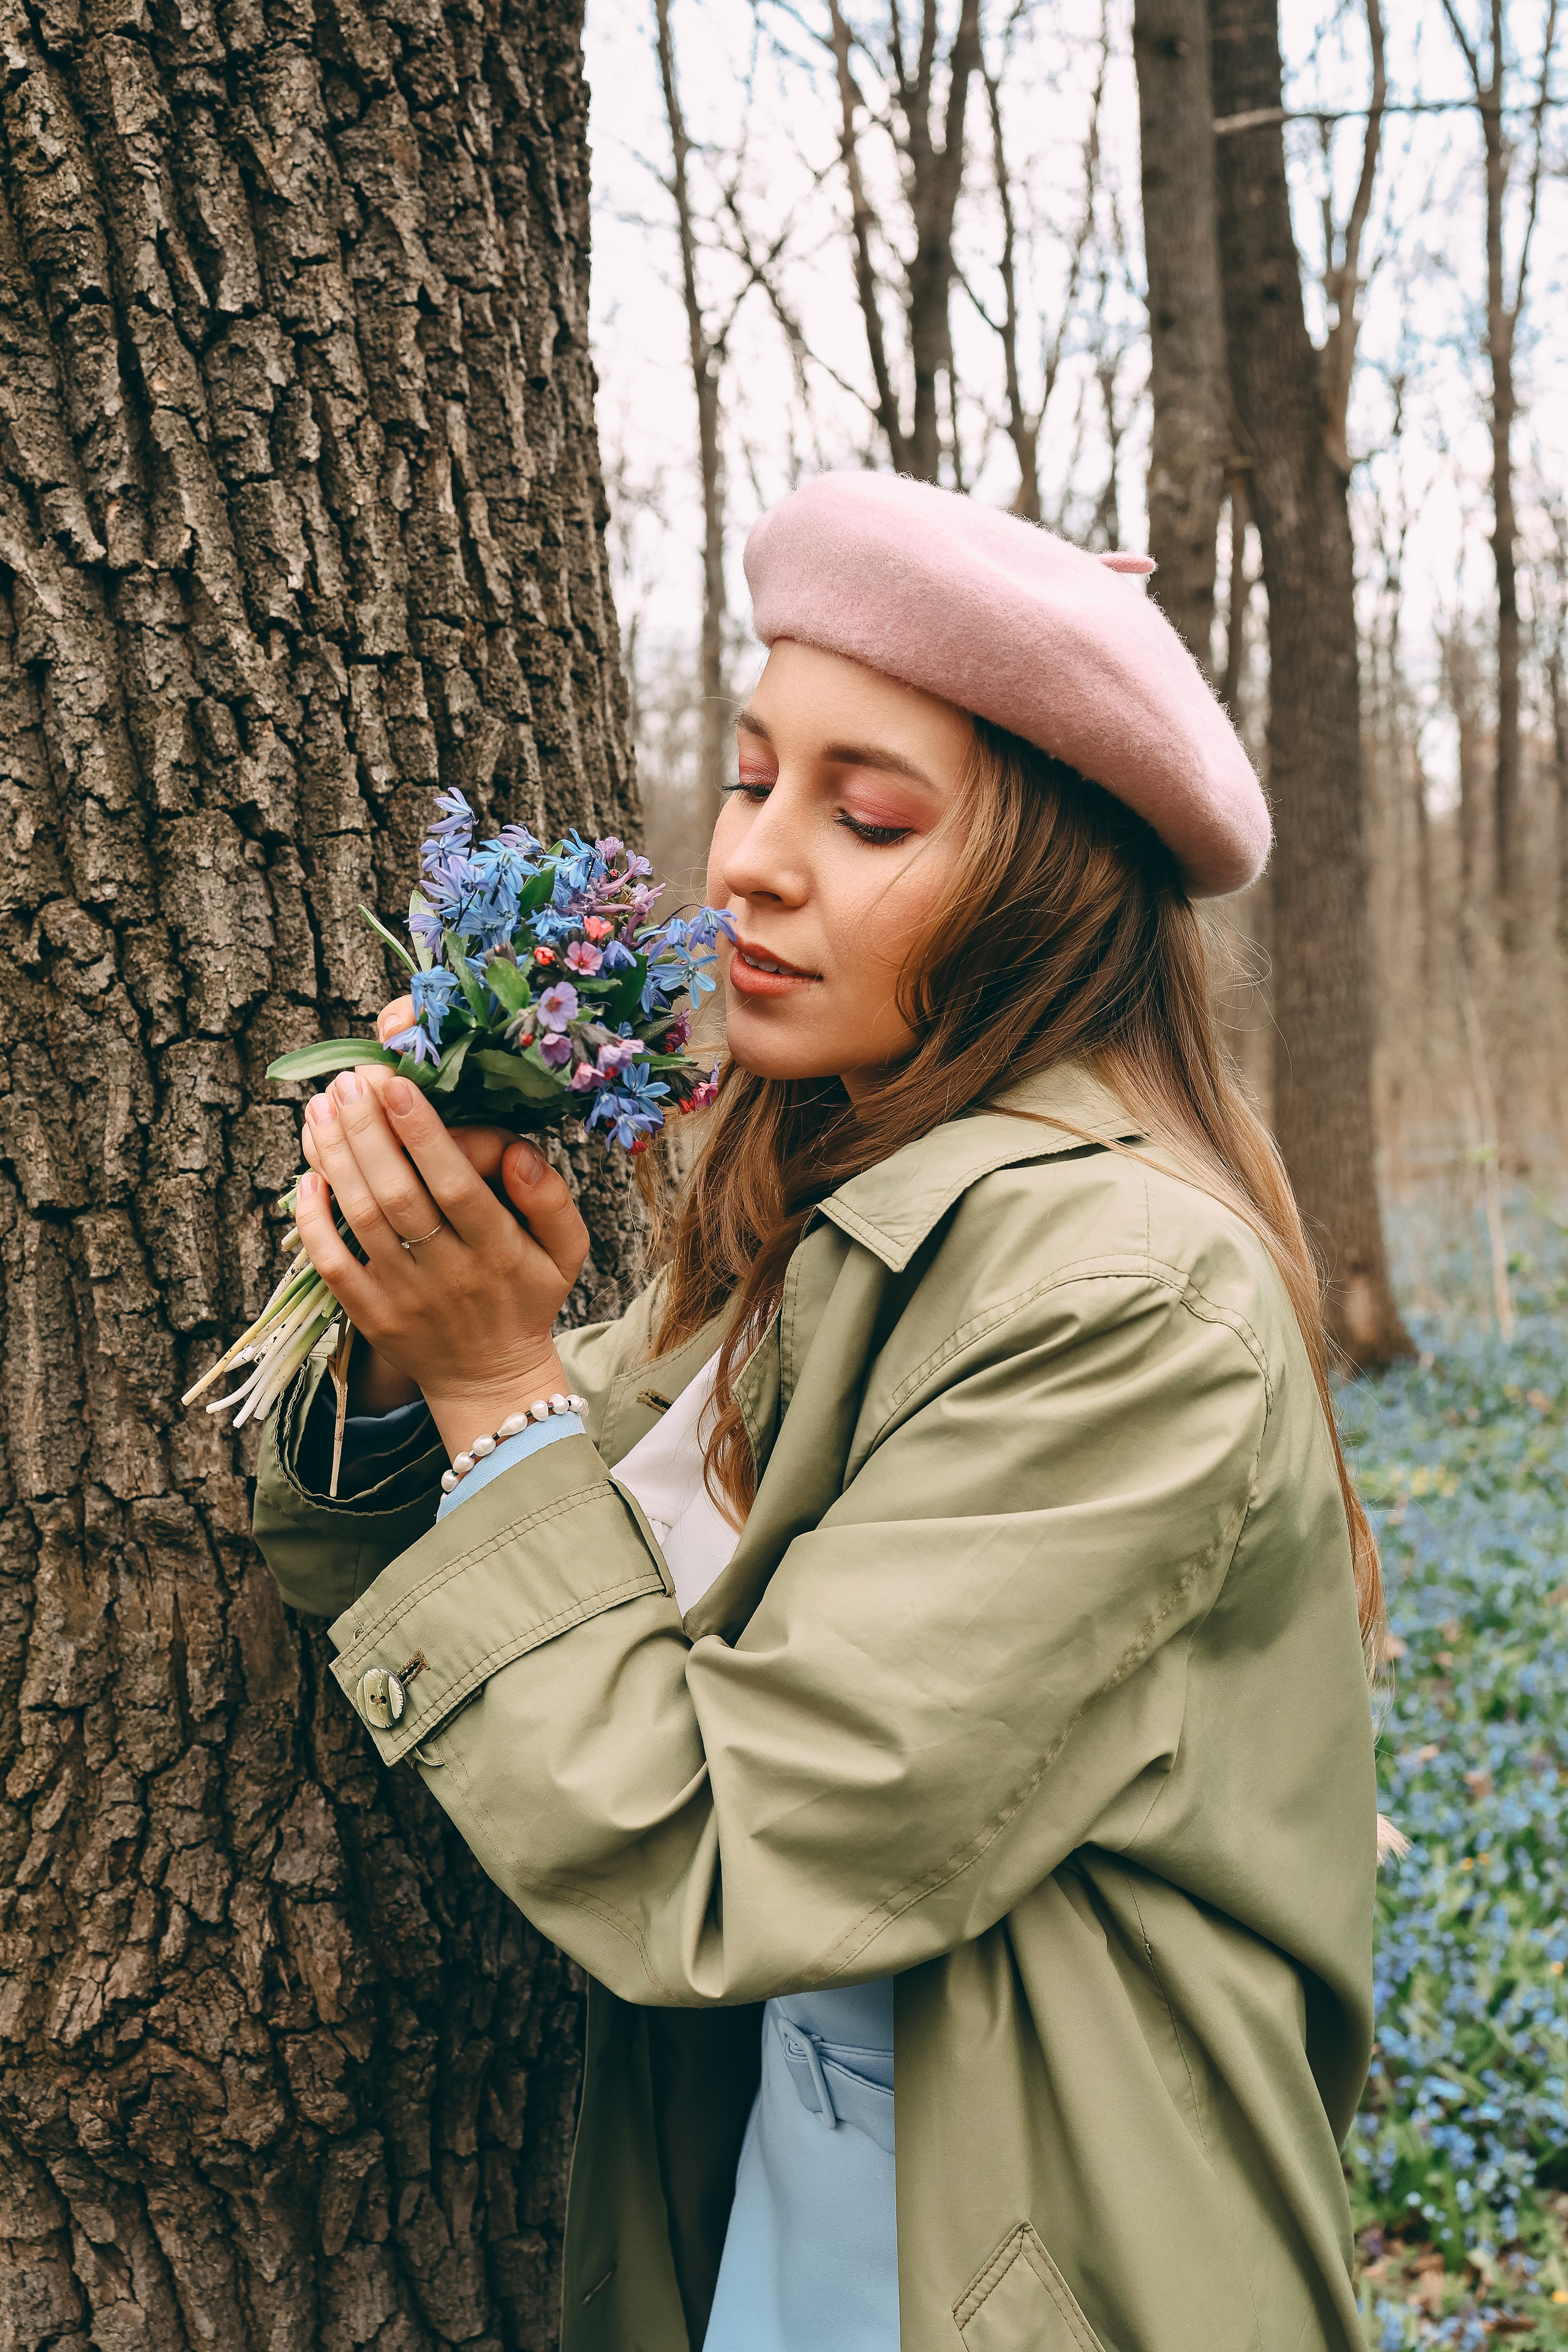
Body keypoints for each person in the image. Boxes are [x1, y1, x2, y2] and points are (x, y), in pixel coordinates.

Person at [253, 472, 1378, 2352]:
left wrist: (491, 1378)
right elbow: (514, 1526)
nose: (755, 865)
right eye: (758, 777)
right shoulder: (832, 1232)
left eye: (868, 815)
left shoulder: (1116, 1296)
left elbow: (719, 1841)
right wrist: (390, 1357)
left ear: (1052, 891)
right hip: (798, 2246)